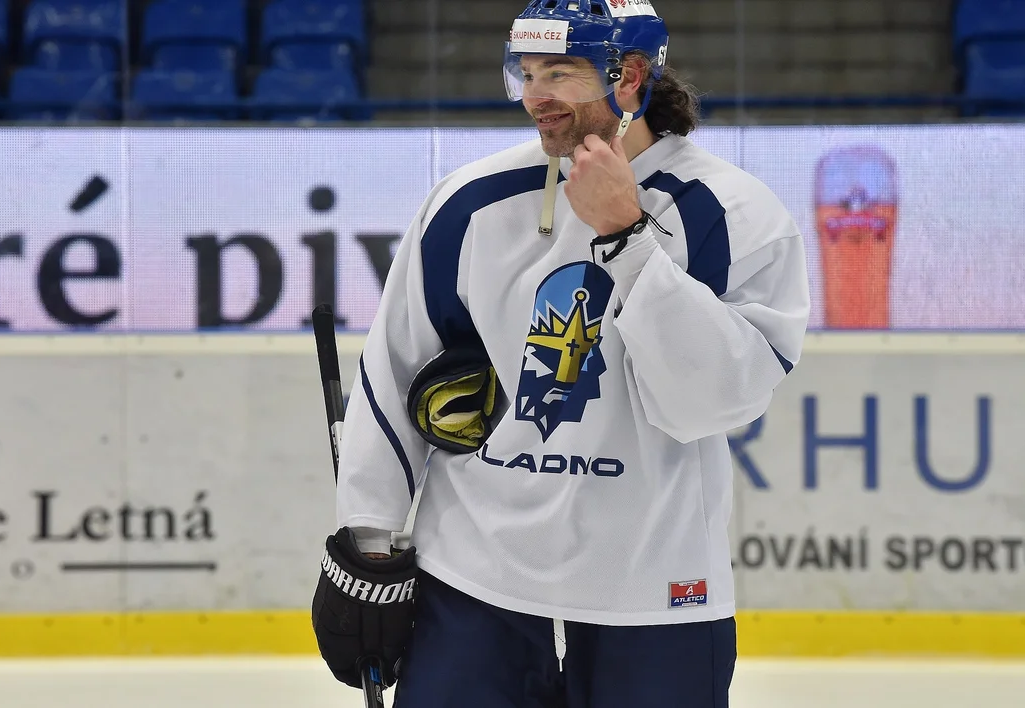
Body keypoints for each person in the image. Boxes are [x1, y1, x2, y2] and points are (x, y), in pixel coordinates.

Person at [311, 1, 811, 706]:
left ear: (630, 77)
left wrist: (628, 239)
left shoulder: (732, 214)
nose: (536, 97)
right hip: (474, 590)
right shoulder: (469, 205)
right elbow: (392, 378)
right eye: (525, 73)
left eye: (562, 74)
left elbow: (719, 400)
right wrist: (367, 541)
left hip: (654, 596)